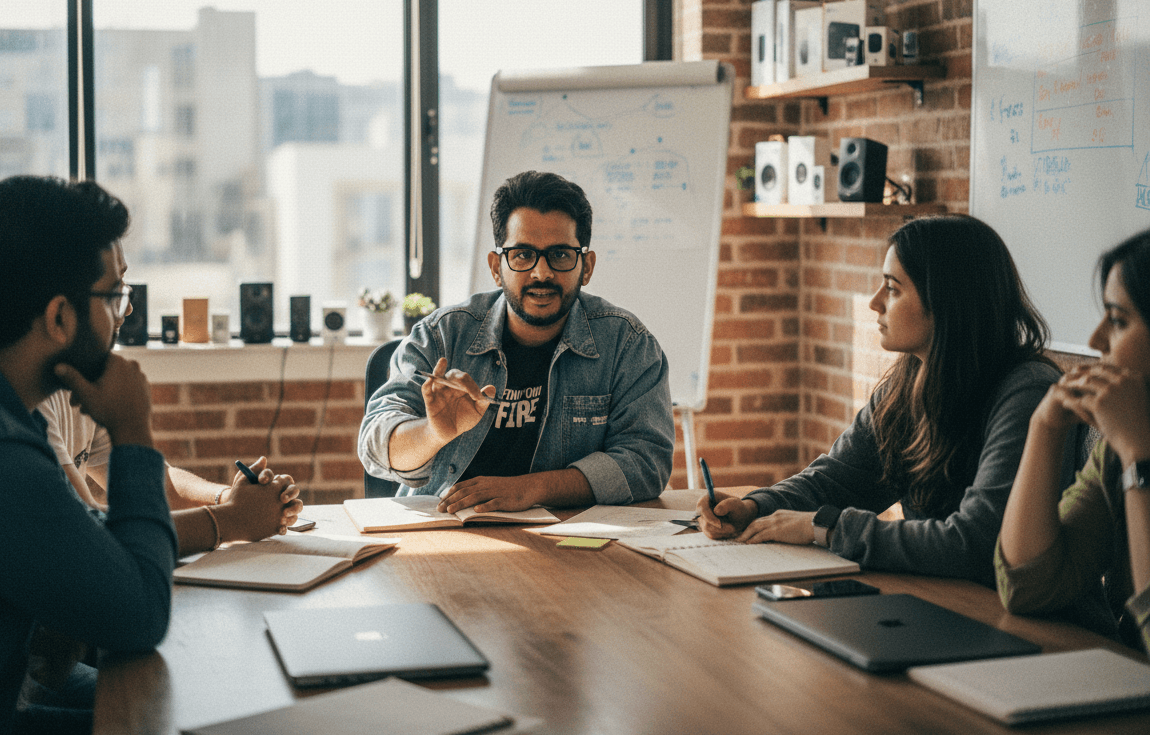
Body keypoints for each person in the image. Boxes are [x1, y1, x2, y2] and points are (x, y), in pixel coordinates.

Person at [696, 214, 1074, 586]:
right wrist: (756, 507)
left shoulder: (1027, 393)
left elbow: (974, 543)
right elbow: (839, 480)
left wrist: (825, 527)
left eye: (892, 288)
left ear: (946, 300)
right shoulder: (909, 381)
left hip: (1036, 628)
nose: (875, 302)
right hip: (943, 602)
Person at [0, 176, 173, 734]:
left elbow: (75, 536)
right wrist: (132, 429)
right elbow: (140, 615)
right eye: (114, 296)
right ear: (59, 317)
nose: (123, 314)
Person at [359, 170, 674, 512]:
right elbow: (376, 444)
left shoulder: (628, 345)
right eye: (523, 254)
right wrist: (433, 433)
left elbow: (647, 462)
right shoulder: (441, 335)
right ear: (497, 267)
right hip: (445, 530)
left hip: (568, 542)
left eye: (561, 255)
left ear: (586, 266)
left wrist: (531, 490)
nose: (542, 273)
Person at [38, 269, 304, 557]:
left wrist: (229, 500)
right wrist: (233, 520)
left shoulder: (79, 380)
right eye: (115, 291)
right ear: (59, 311)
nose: (128, 307)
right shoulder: (28, 406)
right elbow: (90, 538)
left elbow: (161, 488)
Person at [996, 229, 1150, 651]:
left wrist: (1140, 459)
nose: (1095, 342)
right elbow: (1027, 586)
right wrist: (1044, 428)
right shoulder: (1118, 449)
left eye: (1118, 320)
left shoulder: (1132, 445)